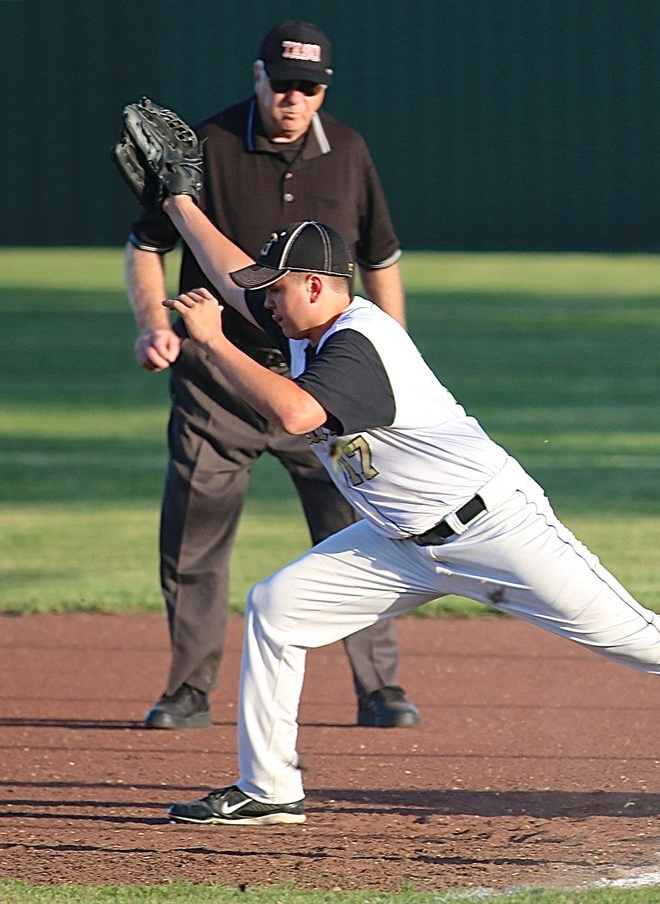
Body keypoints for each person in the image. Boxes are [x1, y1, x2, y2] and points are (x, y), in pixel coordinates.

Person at [149, 189, 660, 827]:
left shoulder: (358, 344)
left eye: (276, 290)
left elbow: (297, 415)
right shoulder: (307, 320)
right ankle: (270, 788)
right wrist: (182, 202)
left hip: (494, 529)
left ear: (316, 286)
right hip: (401, 543)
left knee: (639, 639)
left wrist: (211, 343)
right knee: (277, 607)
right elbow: (234, 278)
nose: (265, 303)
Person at [123, 20, 419, 730]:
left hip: (318, 378)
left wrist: (393, 343)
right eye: (283, 84)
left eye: (308, 88)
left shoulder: (347, 150)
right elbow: (145, 243)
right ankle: (189, 689)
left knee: (360, 526)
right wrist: (154, 323)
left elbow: (380, 256)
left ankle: (379, 686)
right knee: (193, 535)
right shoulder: (209, 145)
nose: (294, 99)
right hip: (216, 379)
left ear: (324, 90)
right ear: (258, 77)